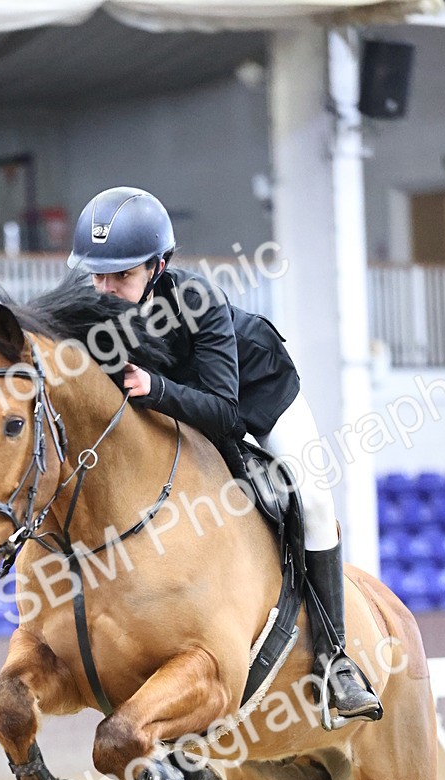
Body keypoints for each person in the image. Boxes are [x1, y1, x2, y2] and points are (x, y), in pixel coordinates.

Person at [67, 185, 382, 726]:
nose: (107, 289)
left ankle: (335, 659)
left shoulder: (199, 302)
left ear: (158, 266)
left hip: (256, 396)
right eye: (98, 276)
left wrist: (155, 388)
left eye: (122, 276)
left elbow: (226, 414)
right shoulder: (96, 313)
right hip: (177, 407)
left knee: (312, 500)